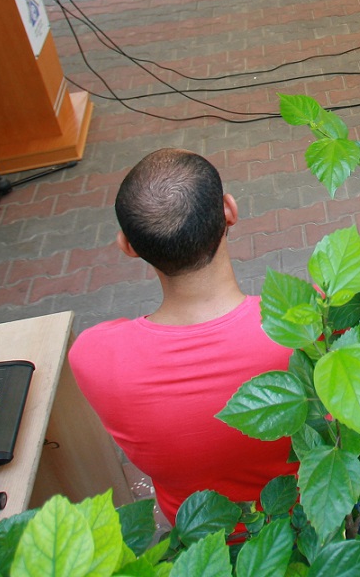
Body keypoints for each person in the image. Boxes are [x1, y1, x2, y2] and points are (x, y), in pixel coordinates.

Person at [68, 149, 296, 524]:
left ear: (127, 246)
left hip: (197, 538)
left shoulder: (93, 356)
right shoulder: (303, 322)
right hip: (306, 521)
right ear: (230, 211)